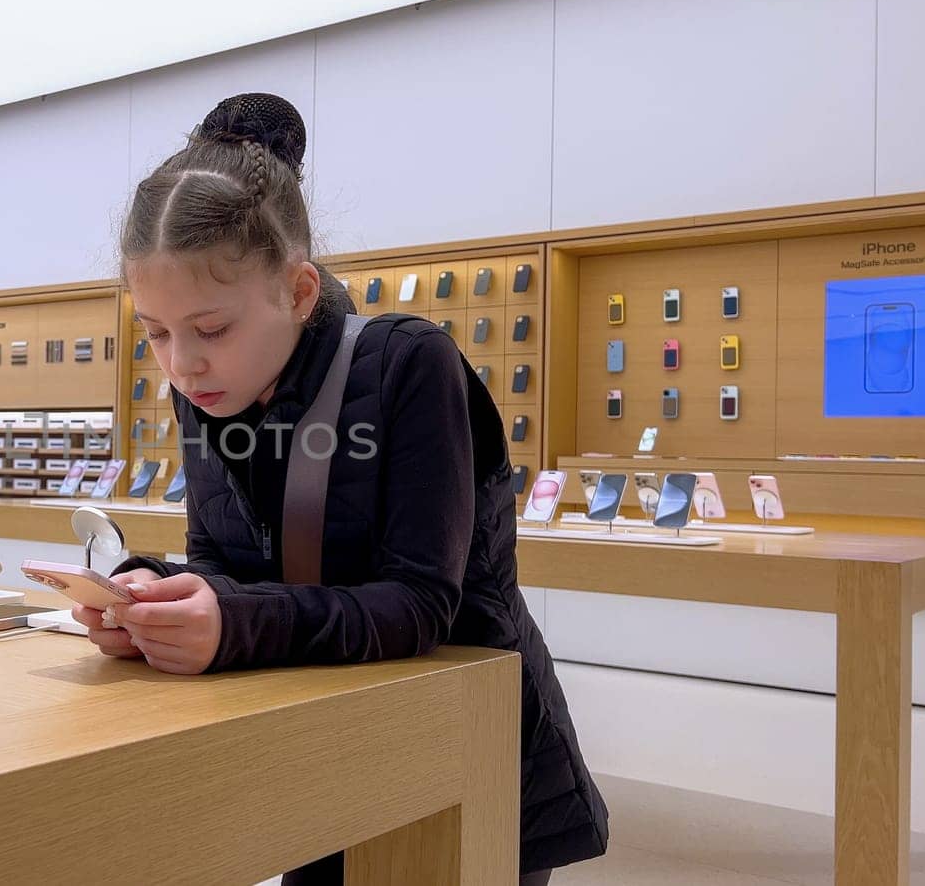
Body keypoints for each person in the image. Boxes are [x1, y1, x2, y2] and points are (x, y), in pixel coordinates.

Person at [69, 94, 608, 883]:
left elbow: (421, 603)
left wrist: (233, 622)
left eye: (211, 330)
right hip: (314, 748)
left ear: (297, 291)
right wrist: (157, 595)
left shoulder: (409, 365)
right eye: (155, 331)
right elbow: (224, 564)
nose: (181, 364)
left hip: (461, 751)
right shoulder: (203, 393)